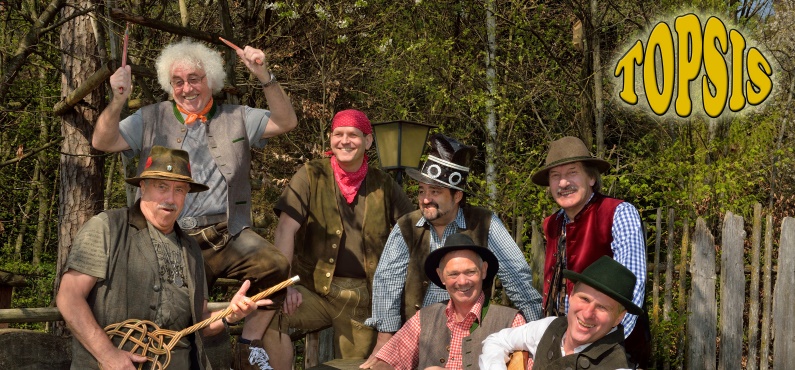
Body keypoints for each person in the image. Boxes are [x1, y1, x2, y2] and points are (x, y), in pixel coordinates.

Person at [92, 39, 297, 369]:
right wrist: (118, 100)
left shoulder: (238, 116)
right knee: (177, 317)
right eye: (178, 81)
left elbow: (287, 122)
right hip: (169, 239)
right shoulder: (150, 118)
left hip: (226, 234)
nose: (187, 88)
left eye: (195, 78)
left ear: (211, 80)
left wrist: (264, 76)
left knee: (275, 267)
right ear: (169, 85)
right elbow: (101, 141)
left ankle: (249, 344)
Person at [56, 146, 272, 370]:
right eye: (162, 187)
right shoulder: (106, 227)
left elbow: (200, 324)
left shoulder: (191, 249)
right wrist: (108, 354)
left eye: (179, 190)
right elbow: (69, 297)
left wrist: (230, 314)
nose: (170, 198)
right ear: (143, 186)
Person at [363, 134, 544, 368]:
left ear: (457, 195)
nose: (425, 199)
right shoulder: (406, 226)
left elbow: (517, 278)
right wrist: (385, 341)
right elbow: (387, 281)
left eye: (435, 192)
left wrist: (537, 334)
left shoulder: (484, 223)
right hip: (421, 336)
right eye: (421, 191)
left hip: (475, 334)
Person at [260, 109, 415, 369]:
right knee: (266, 314)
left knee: (358, 366)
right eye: (338, 134)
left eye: (353, 135)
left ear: (368, 141)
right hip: (312, 291)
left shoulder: (384, 184)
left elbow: (413, 233)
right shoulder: (311, 174)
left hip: (363, 301)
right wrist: (283, 284)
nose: (345, 140)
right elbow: (285, 229)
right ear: (330, 139)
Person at [531, 136, 649, 365]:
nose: (563, 183)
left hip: (609, 353)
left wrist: (606, 350)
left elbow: (631, 288)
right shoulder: (552, 224)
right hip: (560, 349)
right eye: (556, 176)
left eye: (572, 172)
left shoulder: (619, 213)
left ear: (592, 177)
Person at [370, 233, 526, 370]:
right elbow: (386, 362)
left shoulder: (512, 322)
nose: (462, 281)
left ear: (484, 270)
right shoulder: (423, 318)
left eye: (470, 272)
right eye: (453, 274)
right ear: (441, 276)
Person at [479, 256, 644, 370]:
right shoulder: (549, 327)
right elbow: (497, 340)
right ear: (571, 296)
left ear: (619, 318)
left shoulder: (616, 366)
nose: (587, 314)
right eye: (585, 299)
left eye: (602, 307)